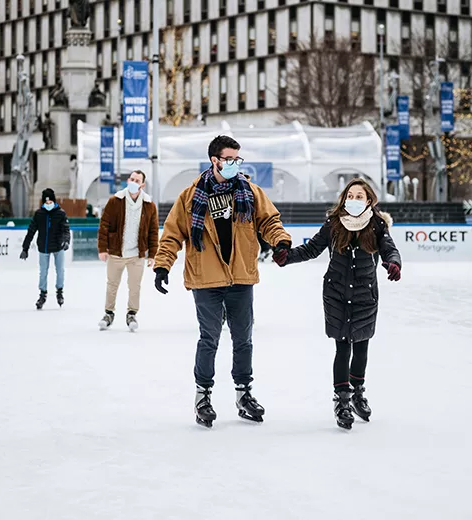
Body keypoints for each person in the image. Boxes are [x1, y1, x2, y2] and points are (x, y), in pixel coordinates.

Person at [152, 135, 291, 428]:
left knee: (244, 340)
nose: (234, 165)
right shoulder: (190, 196)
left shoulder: (250, 192)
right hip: (206, 279)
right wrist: (163, 265)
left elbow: (269, 221)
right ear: (214, 160)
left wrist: (280, 241)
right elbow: (173, 233)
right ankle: (203, 396)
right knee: (209, 339)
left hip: (240, 276)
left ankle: (243, 394)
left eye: (237, 160)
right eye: (229, 159)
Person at [274, 178, 401, 429]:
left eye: (359, 196)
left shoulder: (376, 225)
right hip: (336, 294)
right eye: (350, 196)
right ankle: (342, 400)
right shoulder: (333, 224)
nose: (354, 200)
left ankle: (357, 393)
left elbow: (389, 249)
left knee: (361, 346)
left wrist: (393, 262)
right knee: (342, 347)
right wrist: (287, 257)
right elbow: (312, 249)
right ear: (344, 198)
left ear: (369, 200)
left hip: (365, 295)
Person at [96, 170, 159, 331]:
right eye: (131, 178)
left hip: (136, 255)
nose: (133, 182)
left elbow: (153, 231)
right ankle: (108, 313)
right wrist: (103, 248)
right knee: (112, 285)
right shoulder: (115, 201)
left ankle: (132, 313)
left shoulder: (149, 205)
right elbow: (104, 225)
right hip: (116, 253)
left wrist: (152, 254)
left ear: (142, 184)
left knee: (135, 286)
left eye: (137, 180)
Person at [20, 189, 71, 309]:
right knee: (43, 271)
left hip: (58, 246)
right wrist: (25, 248)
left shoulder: (60, 213)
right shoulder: (39, 214)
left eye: (50, 202)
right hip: (43, 247)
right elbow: (31, 231)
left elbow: (66, 230)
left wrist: (66, 241)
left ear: (54, 201)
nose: (48, 205)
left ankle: (59, 291)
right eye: (46, 203)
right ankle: (42, 294)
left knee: (60, 270)